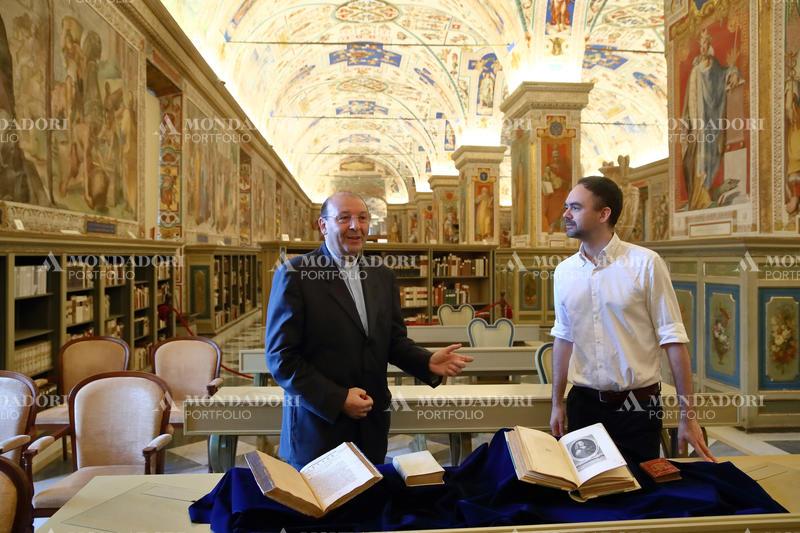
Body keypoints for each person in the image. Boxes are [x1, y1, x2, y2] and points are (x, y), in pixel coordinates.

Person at [266, 191, 473, 468]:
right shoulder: (296, 274)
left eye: (362, 218)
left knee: (370, 507)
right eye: (344, 218)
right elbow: (281, 358)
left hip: (371, 425)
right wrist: (338, 399)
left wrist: (426, 360)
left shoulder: (382, 275)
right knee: (322, 511)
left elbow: (393, 342)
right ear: (323, 225)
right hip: (318, 427)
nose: (355, 226)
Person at [549, 176, 716, 464]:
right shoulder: (564, 272)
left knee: (640, 497)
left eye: (575, 208)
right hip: (583, 404)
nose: (565, 214)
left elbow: (673, 340)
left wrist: (688, 417)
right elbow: (563, 339)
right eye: (566, 207)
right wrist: (556, 404)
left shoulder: (646, 264)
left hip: (637, 405)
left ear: (604, 214)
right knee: (589, 496)